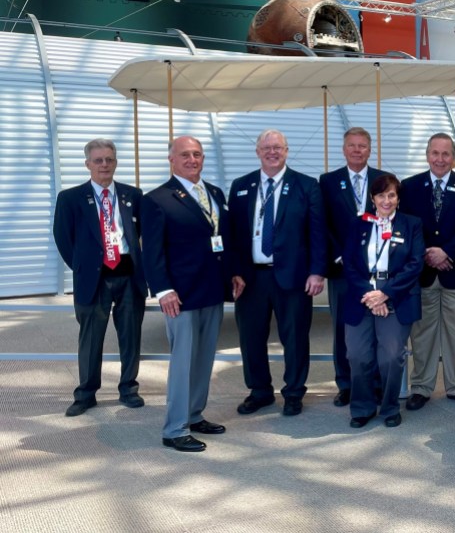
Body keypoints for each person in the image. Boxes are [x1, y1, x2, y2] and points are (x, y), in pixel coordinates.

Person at [142, 136, 231, 452]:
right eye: (185, 154)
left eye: (197, 154)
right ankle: (175, 428)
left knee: (204, 358)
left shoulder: (216, 193)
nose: (192, 159)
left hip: (212, 289)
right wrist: (163, 289)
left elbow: (222, 238)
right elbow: (151, 253)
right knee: (182, 362)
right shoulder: (157, 199)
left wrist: (232, 275)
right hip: (179, 295)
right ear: (172, 159)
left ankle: (194, 414)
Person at [228, 129, 326, 417]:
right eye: (266, 147)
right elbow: (232, 234)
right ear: (257, 151)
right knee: (251, 337)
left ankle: (294, 392)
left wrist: (317, 272)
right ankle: (259, 391)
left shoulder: (306, 186)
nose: (272, 152)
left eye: (278, 147)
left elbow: (317, 233)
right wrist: (234, 270)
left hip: (293, 276)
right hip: (250, 277)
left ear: (286, 151)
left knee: (294, 337)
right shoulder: (241, 185)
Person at [53, 139, 147, 417]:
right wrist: (83, 266)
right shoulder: (70, 198)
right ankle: (86, 393)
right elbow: (63, 238)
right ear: (88, 164)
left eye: (109, 159)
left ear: (115, 162)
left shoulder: (134, 194)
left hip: (129, 276)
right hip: (94, 279)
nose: (104, 165)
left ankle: (129, 388)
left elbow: (143, 233)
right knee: (91, 338)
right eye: (98, 160)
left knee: (131, 336)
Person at [400, 133, 455, 411]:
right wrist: (428, 254)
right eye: (435, 153)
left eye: (446, 154)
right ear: (427, 155)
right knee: (421, 334)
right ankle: (421, 387)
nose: (440, 159)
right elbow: (406, 226)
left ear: (454, 156)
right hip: (422, 273)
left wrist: (447, 252)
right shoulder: (409, 187)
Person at [343, 174, 424, 429]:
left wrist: (386, 293)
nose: (386, 200)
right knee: (358, 355)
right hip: (362, 297)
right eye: (381, 195)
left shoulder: (411, 224)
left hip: (395, 297)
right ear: (372, 198)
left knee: (391, 356)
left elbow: (415, 264)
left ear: (398, 198)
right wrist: (371, 294)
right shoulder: (358, 225)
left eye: (391, 195)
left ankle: (389, 407)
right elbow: (350, 264)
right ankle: (362, 407)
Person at [320, 127, 391, 407]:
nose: (357, 150)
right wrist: (341, 256)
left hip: (376, 269)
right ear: (344, 149)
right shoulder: (328, 181)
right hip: (342, 270)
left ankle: (374, 384)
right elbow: (322, 223)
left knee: (375, 327)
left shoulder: (383, 180)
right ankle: (346, 384)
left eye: (363, 146)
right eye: (352, 145)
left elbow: (392, 219)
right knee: (343, 327)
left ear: (370, 149)